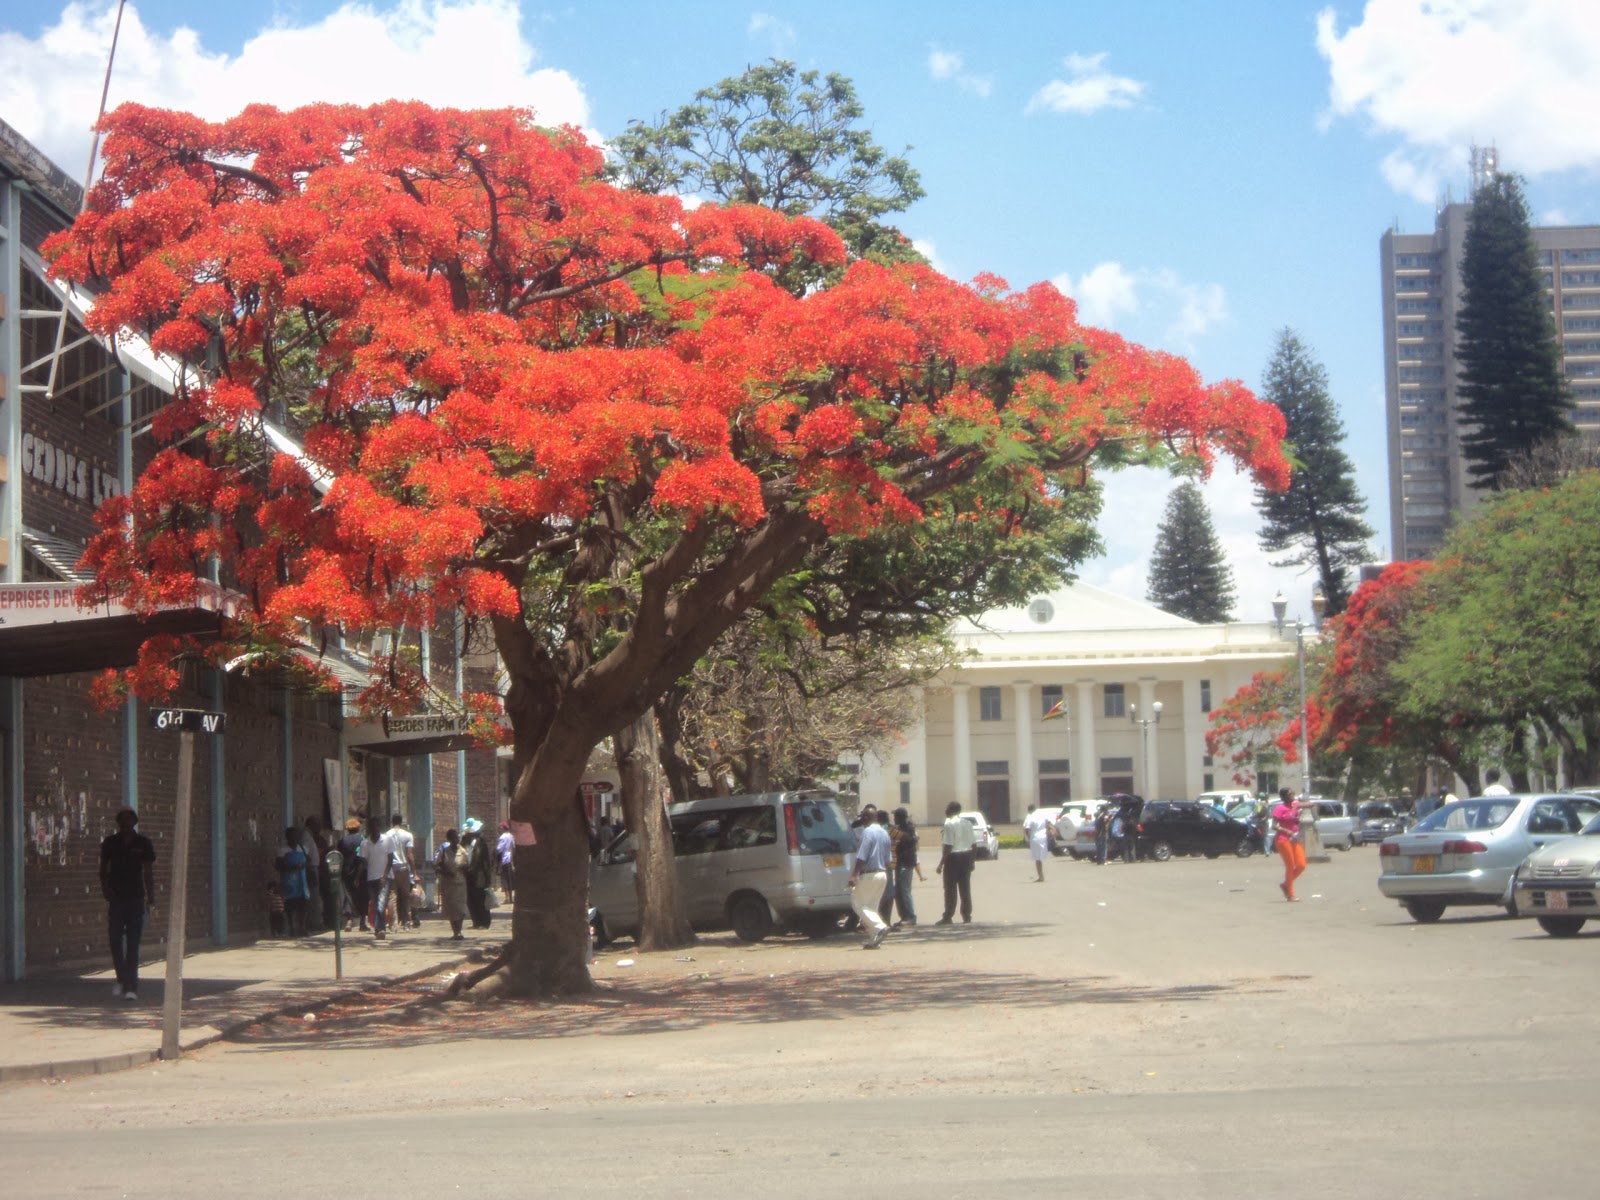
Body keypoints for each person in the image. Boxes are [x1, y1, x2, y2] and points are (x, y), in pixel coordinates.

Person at [99, 807, 156, 1002]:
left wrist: (151, 897)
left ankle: (131, 986)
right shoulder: (110, 843)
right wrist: (105, 889)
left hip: (136, 898)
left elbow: (148, 872)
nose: (126, 822)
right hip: (116, 899)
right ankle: (121, 979)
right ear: (118, 822)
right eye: (122, 819)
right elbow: (103, 868)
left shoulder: (143, 843)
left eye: (130, 819)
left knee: (133, 943)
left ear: (135, 821)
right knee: (115, 939)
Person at [849, 806, 893, 949]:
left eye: (862, 816)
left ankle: (880, 927)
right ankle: (874, 940)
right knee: (872, 907)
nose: (861, 819)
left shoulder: (867, 832)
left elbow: (862, 856)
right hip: (882, 874)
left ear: (867, 818)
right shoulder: (884, 833)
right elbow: (888, 860)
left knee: (857, 903)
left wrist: (854, 874)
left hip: (870, 874)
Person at [935, 801, 976, 925]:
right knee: (965, 888)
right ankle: (967, 915)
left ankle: (948, 916)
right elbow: (974, 845)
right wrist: (972, 861)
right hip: (966, 856)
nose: (945, 810)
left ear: (952, 810)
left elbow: (948, 846)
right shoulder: (967, 823)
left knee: (950, 889)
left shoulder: (949, 824)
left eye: (947, 808)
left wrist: (941, 863)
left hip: (953, 858)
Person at [357, 816, 392, 939]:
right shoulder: (365, 843)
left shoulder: (387, 840)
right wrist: (357, 877)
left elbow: (390, 860)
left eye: (377, 826)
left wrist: (385, 876)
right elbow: (362, 862)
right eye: (372, 826)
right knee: (376, 903)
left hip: (385, 878)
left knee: (381, 903)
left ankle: (379, 928)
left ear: (379, 827)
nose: (374, 829)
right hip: (371, 878)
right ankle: (380, 927)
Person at [889, 807, 923, 928]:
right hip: (900, 863)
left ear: (900, 817)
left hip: (906, 863)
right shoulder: (899, 829)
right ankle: (904, 916)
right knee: (899, 892)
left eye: (896, 816)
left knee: (904, 890)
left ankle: (910, 916)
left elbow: (912, 843)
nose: (894, 818)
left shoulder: (908, 829)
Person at [434, 828, 470, 939]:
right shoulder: (444, 851)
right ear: (449, 839)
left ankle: (459, 930)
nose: (456, 839)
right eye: (454, 837)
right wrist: (445, 872)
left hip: (460, 884)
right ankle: (455, 931)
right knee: (451, 908)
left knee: (460, 908)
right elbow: (436, 866)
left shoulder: (463, 852)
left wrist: (463, 869)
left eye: (457, 837)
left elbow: (468, 867)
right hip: (447, 884)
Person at [386, 813, 420, 929]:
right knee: (405, 895)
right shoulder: (407, 835)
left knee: (392, 895)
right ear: (401, 822)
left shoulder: (386, 835)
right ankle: (406, 922)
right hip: (403, 868)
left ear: (392, 822)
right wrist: (414, 872)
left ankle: (393, 923)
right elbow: (409, 854)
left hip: (391, 868)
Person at [1272, 787, 1306, 902]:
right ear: (1283, 797)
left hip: (1295, 838)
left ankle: (1286, 884)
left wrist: (1310, 804)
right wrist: (1287, 831)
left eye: (1293, 793)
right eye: (1290, 794)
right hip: (1283, 839)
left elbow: (1309, 804)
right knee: (1290, 866)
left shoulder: (1296, 805)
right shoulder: (1279, 809)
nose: (1292, 795)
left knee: (1301, 865)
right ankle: (1290, 894)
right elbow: (1274, 826)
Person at [276, 827, 311, 937]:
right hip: (289, 881)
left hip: (302, 881)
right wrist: (292, 867)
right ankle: (292, 928)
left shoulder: (303, 849)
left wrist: (304, 865)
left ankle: (302, 927)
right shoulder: (282, 850)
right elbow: (278, 865)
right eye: (293, 836)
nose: (295, 838)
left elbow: (309, 861)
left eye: (297, 836)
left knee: (303, 905)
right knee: (290, 905)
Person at [462, 817, 494, 929]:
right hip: (468, 875)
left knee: (481, 898)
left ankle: (484, 922)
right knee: (470, 899)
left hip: (479, 875)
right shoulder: (464, 841)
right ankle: (476, 921)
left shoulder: (481, 842)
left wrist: (488, 878)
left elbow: (484, 861)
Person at [338, 817, 368, 932]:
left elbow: (338, 855)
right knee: (363, 896)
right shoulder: (362, 840)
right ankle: (362, 923)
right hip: (361, 872)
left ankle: (349, 921)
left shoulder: (343, 841)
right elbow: (363, 858)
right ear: (358, 828)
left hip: (346, 872)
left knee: (348, 896)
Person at [1022, 804, 1052, 881]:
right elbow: (1049, 824)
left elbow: (1026, 829)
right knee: (1040, 857)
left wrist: (1029, 839)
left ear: (1029, 811)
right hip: (1043, 837)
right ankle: (1041, 876)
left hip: (1035, 837)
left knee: (1037, 859)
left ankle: (1041, 876)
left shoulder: (1030, 817)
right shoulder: (1042, 815)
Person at [495, 821, 516, 904]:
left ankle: (507, 898)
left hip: (504, 860)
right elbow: (514, 847)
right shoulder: (511, 836)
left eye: (500, 828)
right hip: (510, 859)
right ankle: (511, 897)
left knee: (504, 879)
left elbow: (499, 849)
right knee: (510, 879)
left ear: (503, 828)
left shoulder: (503, 837)